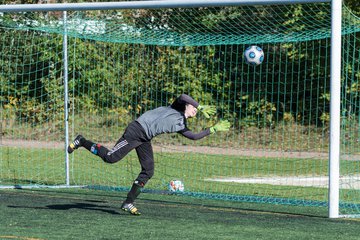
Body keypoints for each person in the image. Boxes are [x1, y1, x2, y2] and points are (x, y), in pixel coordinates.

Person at [67, 94, 230, 215]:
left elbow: (194, 136)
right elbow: (183, 96)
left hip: (145, 138)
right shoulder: (176, 107)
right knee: (111, 157)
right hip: (136, 131)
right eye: (193, 106)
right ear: (187, 105)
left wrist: (213, 129)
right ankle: (81, 141)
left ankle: (128, 202)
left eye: (196, 109)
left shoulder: (181, 124)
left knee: (148, 170)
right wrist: (200, 106)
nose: (194, 109)